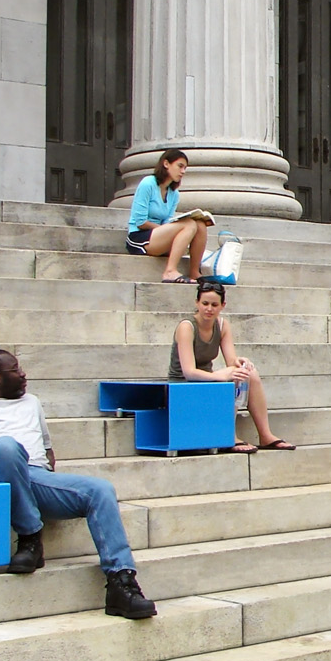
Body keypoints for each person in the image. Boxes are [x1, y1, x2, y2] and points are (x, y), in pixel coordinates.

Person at [0, 350, 156, 619]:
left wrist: (45, 476)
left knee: (100, 489)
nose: (23, 374)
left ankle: (121, 583)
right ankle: (30, 537)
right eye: (15, 370)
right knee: (6, 447)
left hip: (33, 475)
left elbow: (47, 450)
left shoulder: (31, 402)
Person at [171, 280, 296, 453]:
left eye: (214, 305)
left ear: (222, 305)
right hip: (183, 385)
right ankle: (229, 435)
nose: (209, 309)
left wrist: (240, 362)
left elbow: (231, 361)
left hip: (207, 381)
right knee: (232, 376)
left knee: (248, 374)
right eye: (205, 303)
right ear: (197, 303)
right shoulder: (187, 327)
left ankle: (265, 435)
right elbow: (189, 372)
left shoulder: (222, 325)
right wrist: (220, 375)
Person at [126, 148, 208, 284]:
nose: (183, 172)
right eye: (180, 166)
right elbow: (140, 222)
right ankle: (170, 271)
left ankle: (194, 272)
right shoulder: (148, 183)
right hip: (139, 237)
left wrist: (170, 230)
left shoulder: (174, 194)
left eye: (185, 168)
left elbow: (167, 221)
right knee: (189, 224)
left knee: (200, 224)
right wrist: (168, 230)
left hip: (158, 236)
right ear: (166, 164)